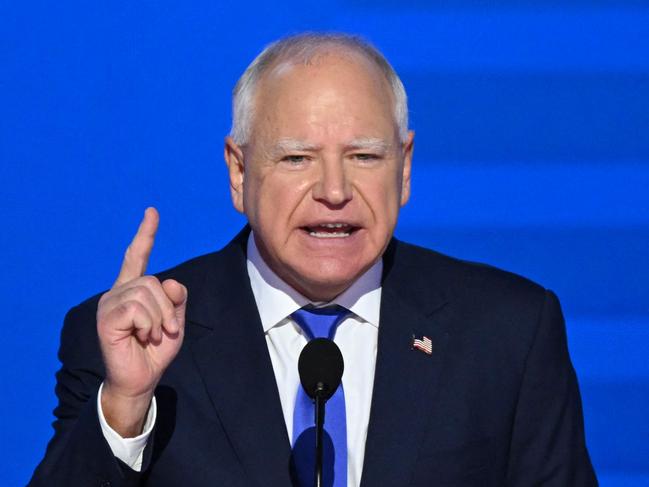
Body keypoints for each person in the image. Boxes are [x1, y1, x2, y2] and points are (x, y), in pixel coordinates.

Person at [30, 33, 597, 486]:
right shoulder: (129, 342)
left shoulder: (509, 331)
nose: (333, 189)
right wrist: (125, 408)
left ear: (403, 168)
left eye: (364, 156)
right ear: (238, 171)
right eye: (297, 157)